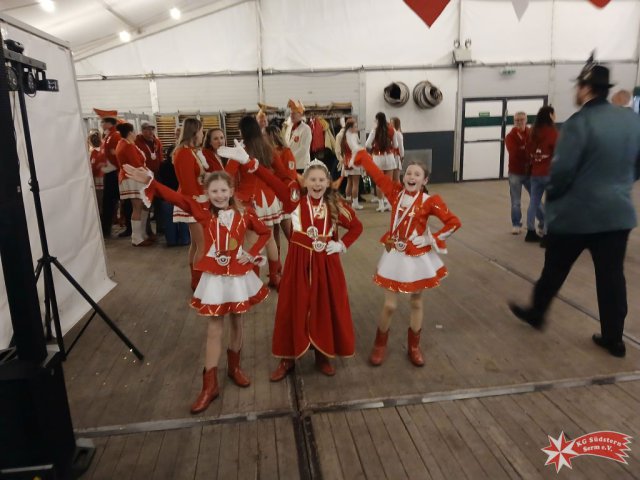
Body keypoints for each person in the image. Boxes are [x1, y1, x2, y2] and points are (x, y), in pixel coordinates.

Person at [509, 62, 640, 358]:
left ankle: (536, 313)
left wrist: (554, 197)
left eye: (577, 87)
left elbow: (562, 171)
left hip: (576, 216)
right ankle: (614, 338)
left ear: (585, 89)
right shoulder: (631, 120)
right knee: (611, 277)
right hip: (617, 214)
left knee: (555, 268)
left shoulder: (578, 123)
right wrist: (621, 185)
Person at [124, 165, 271, 414]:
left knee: (238, 322)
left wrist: (252, 253)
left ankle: (234, 368)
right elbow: (177, 198)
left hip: (238, 276)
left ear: (231, 190)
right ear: (207, 193)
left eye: (223, 190)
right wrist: (151, 181)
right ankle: (209, 385)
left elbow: (265, 232)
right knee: (214, 328)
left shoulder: (245, 213)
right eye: (214, 191)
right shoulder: (202, 212)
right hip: (215, 278)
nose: (219, 195)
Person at [350, 133, 461, 367]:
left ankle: (414, 347)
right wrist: (360, 153)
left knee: (416, 302)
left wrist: (431, 239)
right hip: (395, 255)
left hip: (418, 257)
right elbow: (377, 174)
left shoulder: (430, 201)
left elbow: (453, 222)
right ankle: (379, 344)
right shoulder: (395, 193)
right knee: (390, 305)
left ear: (425, 179)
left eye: (417, 174)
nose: (411, 177)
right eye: (408, 173)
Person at [225, 116, 291, 289]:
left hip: (248, 201)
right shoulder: (268, 148)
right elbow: (283, 173)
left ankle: (253, 282)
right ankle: (275, 277)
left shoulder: (241, 151)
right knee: (269, 239)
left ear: (242, 131)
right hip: (269, 200)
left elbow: (227, 175)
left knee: (252, 242)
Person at [173, 118, 208, 290]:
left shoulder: (189, 151)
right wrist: (198, 205)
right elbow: (188, 185)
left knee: (195, 244)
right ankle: (198, 282)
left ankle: (196, 279)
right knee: (203, 245)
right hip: (192, 202)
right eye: (201, 131)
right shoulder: (184, 153)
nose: (203, 134)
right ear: (194, 132)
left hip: (195, 200)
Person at [115, 122, 153, 247]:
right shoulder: (127, 146)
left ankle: (142, 235)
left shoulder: (125, 143)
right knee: (137, 207)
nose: (136, 133)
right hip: (133, 178)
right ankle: (137, 238)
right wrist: (149, 175)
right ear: (130, 132)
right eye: (134, 131)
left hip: (132, 177)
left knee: (143, 206)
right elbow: (137, 164)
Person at [525, 106, 558, 244]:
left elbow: (528, 150)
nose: (555, 116)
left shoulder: (533, 131)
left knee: (534, 202)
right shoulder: (552, 132)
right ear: (550, 115)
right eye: (554, 114)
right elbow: (558, 152)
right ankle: (546, 234)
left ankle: (530, 231)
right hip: (549, 173)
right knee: (550, 204)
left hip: (535, 173)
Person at [266, 124, 297, 239]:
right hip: (270, 195)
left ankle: (297, 250)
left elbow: (290, 175)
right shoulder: (265, 152)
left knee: (289, 231)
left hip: (282, 195)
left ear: (271, 136)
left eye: (264, 135)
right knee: (274, 231)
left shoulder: (286, 151)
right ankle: (278, 252)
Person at [505, 112, 533, 235]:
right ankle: (516, 224)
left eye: (522, 120)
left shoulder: (532, 133)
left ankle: (543, 223)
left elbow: (535, 149)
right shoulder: (510, 136)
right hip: (515, 173)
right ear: (514, 122)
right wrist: (526, 149)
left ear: (526, 120)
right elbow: (514, 152)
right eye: (517, 120)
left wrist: (524, 148)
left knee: (536, 199)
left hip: (530, 173)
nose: (519, 122)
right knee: (516, 201)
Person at [135, 120, 163, 237]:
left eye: (152, 129)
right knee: (146, 203)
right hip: (145, 176)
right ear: (142, 131)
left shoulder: (157, 142)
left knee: (159, 202)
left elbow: (160, 157)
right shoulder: (137, 142)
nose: (150, 132)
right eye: (147, 129)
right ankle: (146, 231)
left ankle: (161, 227)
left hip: (157, 175)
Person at [366, 112, 398, 212]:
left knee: (379, 183)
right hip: (389, 157)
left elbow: (367, 144)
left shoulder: (374, 130)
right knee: (389, 182)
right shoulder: (392, 129)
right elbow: (396, 145)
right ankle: (388, 204)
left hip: (377, 158)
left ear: (377, 120)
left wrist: (373, 148)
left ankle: (381, 205)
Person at [98, 115, 121, 237]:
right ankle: (106, 228)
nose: (101, 125)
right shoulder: (108, 136)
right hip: (110, 172)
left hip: (114, 173)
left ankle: (107, 228)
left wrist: (118, 169)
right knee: (109, 202)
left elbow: (116, 155)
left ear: (108, 123)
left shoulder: (115, 135)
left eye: (102, 122)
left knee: (110, 202)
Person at [336, 118, 365, 210]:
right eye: (355, 127)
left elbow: (339, 150)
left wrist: (341, 160)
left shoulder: (342, 135)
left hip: (346, 161)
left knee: (349, 182)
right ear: (350, 127)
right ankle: (355, 203)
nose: (356, 128)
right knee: (355, 183)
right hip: (354, 161)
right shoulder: (353, 136)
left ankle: (348, 202)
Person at [284, 99, 312, 173]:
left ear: (300, 114)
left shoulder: (306, 129)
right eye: (291, 113)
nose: (291, 115)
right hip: (291, 165)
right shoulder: (289, 128)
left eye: (294, 113)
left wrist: (290, 157)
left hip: (301, 165)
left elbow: (303, 149)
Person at [88, 131, 105, 215]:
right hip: (106, 177)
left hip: (98, 179)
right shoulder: (104, 150)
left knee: (100, 199)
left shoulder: (94, 153)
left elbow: (93, 167)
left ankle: (102, 216)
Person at [390, 117, 405, 183]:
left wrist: (402, 156)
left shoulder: (398, 134)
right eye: (390, 123)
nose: (390, 124)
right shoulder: (391, 133)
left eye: (392, 123)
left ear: (396, 124)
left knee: (396, 179)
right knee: (391, 179)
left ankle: (398, 189)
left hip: (396, 157)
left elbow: (401, 147)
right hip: (390, 156)